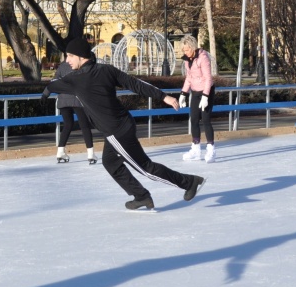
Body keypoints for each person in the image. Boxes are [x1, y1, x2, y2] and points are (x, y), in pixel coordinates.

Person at [40, 37, 205, 211]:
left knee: (146, 168)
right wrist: (163, 96)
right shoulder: (106, 70)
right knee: (110, 162)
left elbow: (53, 85)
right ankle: (142, 197)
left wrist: (45, 92)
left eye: (70, 56)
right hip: (123, 123)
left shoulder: (76, 79)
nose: (67, 60)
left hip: (116, 132)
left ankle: (189, 182)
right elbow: (136, 84)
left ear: (81, 56)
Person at [50, 58, 98, 164]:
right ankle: (90, 153)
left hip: (62, 100)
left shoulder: (62, 66)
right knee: (84, 126)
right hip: (77, 100)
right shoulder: (79, 65)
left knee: (67, 125)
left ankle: (60, 151)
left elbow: (54, 81)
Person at [179, 35, 215, 163]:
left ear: (193, 48)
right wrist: (183, 93)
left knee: (205, 120)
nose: (185, 52)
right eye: (183, 50)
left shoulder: (203, 58)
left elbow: (208, 78)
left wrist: (205, 96)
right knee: (193, 119)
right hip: (195, 92)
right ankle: (196, 149)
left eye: (187, 49)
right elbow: (189, 78)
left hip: (206, 91)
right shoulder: (187, 60)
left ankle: (210, 149)